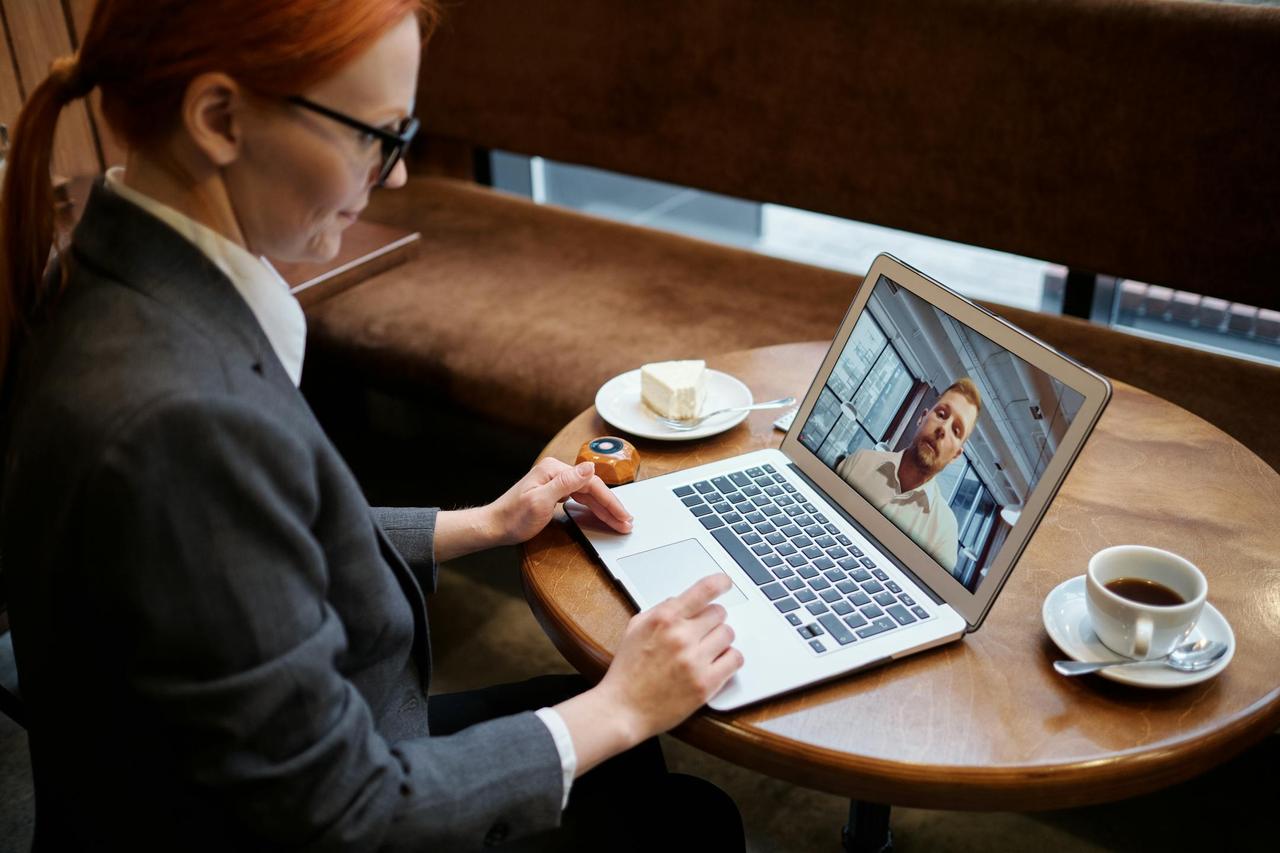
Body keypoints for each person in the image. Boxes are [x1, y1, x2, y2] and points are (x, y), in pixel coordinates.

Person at [0, 2, 744, 849]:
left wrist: (487, 523)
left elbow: (244, 553)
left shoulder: (105, 271)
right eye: (376, 135)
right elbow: (341, 813)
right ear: (218, 118)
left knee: (632, 767)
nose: (392, 177)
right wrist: (617, 705)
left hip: (225, 766)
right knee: (691, 815)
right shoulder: (180, 418)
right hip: (317, 795)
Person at [834, 379, 982, 572]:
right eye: (942, 414)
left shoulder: (944, 533)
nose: (943, 429)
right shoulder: (861, 461)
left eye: (956, 430)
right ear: (922, 417)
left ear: (955, 455)